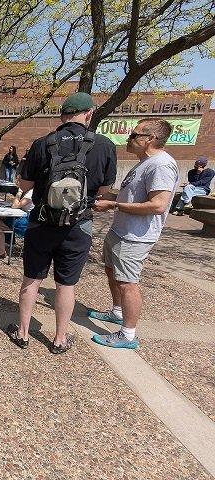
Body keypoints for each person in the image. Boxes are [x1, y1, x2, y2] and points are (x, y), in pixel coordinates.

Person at [6, 92, 117, 354]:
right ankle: (59, 338)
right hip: (78, 225)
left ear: (62, 116)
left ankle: (22, 333)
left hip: (41, 223)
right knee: (66, 285)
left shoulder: (42, 143)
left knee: (31, 279)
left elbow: (25, 185)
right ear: (89, 113)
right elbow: (104, 190)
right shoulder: (103, 145)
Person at [89, 119, 179, 349]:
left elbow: (158, 205)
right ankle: (117, 312)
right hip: (121, 230)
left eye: (134, 134)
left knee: (128, 283)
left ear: (150, 139)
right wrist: (114, 201)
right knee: (113, 272)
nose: (129, 138)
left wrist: (114, 206)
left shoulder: (161, 165)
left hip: (135, 236)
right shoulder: (145, 163)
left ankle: (128, 335)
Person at [0, 185, 34, 258]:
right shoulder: (27, 190)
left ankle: (2, 251)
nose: (19, 183)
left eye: (20, 181)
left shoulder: (31, 193)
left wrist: (19, 193)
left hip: (27, 222)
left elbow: (15, 205)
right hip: (22, 216)